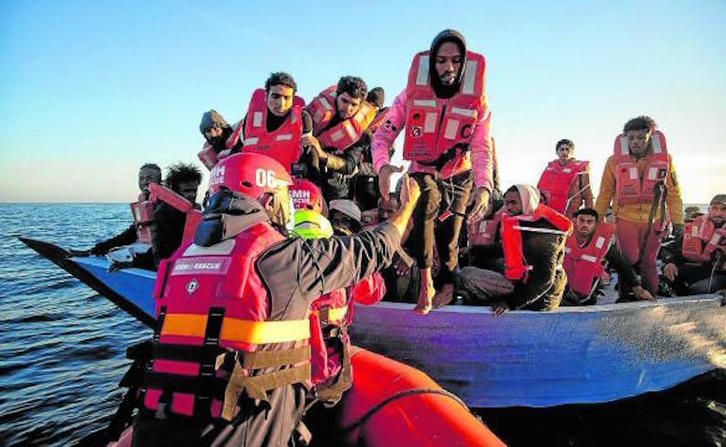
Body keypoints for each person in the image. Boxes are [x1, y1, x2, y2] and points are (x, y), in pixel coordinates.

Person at [132, 152, 419, 446]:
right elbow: (370, 250)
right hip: (234, 434)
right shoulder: (281, 259)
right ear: (268, 201)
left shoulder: (179, 260)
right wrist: (405, 209)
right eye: (283, 200)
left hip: (153, 426)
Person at [373, 29, 495, 314]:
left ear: (464, 63)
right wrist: (382, 166)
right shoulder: (409, 95)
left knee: (450, 238)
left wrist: (484, 186)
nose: (448, 67)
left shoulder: (479, 102)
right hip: (422, 168)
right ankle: (426, 281)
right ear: (431, 63)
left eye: (455, 60)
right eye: (440, 60)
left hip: (459, 174)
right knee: (425, 204)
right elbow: (382, 136)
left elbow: (481, 148)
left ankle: (449, 286)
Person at [595, 116, 684, 295]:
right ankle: (625, 297)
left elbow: (674, 194)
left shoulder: (666, 160)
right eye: (631, 138)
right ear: (626, 138)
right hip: (625, 218)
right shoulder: (614, 162)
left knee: (649, 262)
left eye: (640, 138)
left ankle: (650, 300)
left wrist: (678, 222)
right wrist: (597, 219)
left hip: (655, 218)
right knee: (628, 259)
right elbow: (605, 193)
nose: (635, 142)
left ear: (650, 137)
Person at [459, 185, 572, 315]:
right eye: (506, 203)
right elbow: (510, 249)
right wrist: (473, 250)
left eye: (514, 203)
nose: (509, 207)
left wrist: (510, 303)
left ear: (527, 201)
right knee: (491, 262)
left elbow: (544, 279)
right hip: (526, 279)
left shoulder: (542, 231)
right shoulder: (526, 220)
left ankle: (491, 300)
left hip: (539, 298)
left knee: (466, 274)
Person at [305, 76, 377, 202]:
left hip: (335, 193)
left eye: (354, 105)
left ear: (360, 105)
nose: (348, 108)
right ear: (337, 96)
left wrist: (321, 154)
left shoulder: (361, 133)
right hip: (304, 182)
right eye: (344, 101)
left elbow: (349, 165)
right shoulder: (310, 115)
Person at [77, 164, 162, 269]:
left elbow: (166, 243)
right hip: (150, 248)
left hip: (160, 255)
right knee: (114, 252)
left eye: (150, 178)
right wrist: (95, 250)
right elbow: (130, 235)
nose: (144, 181)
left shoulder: (164, 204)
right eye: (141, 178)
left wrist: (136, 263)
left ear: (160, 181)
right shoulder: (146, 203)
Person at [561, 208, 653, 305]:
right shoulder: (564, 237)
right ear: (575, 221)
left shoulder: (604, 245)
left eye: (589, 222)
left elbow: (622, 265)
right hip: (561, 294)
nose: (585, 225)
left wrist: (636, 287)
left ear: (596, 225)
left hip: (584, 300)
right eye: (582, 221)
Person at [230, 72, 314, 175]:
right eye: (275, 96)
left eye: (286, 98)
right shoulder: (251, 119)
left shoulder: (303, 119)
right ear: (266, 96)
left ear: (293, 99)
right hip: (254, 182)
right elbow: (236, 152)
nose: (281, 103)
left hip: (289, 181)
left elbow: (309, 157)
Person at [662, 194, 726, 295]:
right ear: (709, 210)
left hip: (721, 277)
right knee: (667, 276)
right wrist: (670, 263)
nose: (718, 213)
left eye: (723, 209)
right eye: (715, 208)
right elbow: (675, 250)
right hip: (702, 271)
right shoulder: (696, 227)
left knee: (698, 289)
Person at [149, 162, 202, 266]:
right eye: (187, 191)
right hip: (172, 264)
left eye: (194, 190)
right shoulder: (162, 213)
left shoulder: (196, 211)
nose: (192, 195)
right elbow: (159, 252)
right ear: (175, 191)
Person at [536, 139, 594, 218]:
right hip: (548, 211)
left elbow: (587, 193)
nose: (565, 152)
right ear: (557, 152)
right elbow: (539, 190)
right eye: (562, 149)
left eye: (567, 149)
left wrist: (591, 214)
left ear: (572, 152)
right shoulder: (550, 167)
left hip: (570, 211)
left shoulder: (581, 168)